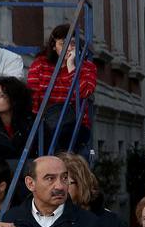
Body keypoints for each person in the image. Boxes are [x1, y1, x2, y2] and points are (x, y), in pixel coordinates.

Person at [26, 23, 97, 152]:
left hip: (75, 124)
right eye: (63, 44)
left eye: (73, 43)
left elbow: (83, 93)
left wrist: (71, 67)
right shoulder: (40, 65)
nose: (69, 48)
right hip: (46, 122)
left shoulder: (87, 67)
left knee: (60, 137)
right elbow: (33, 98)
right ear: (54, 46)